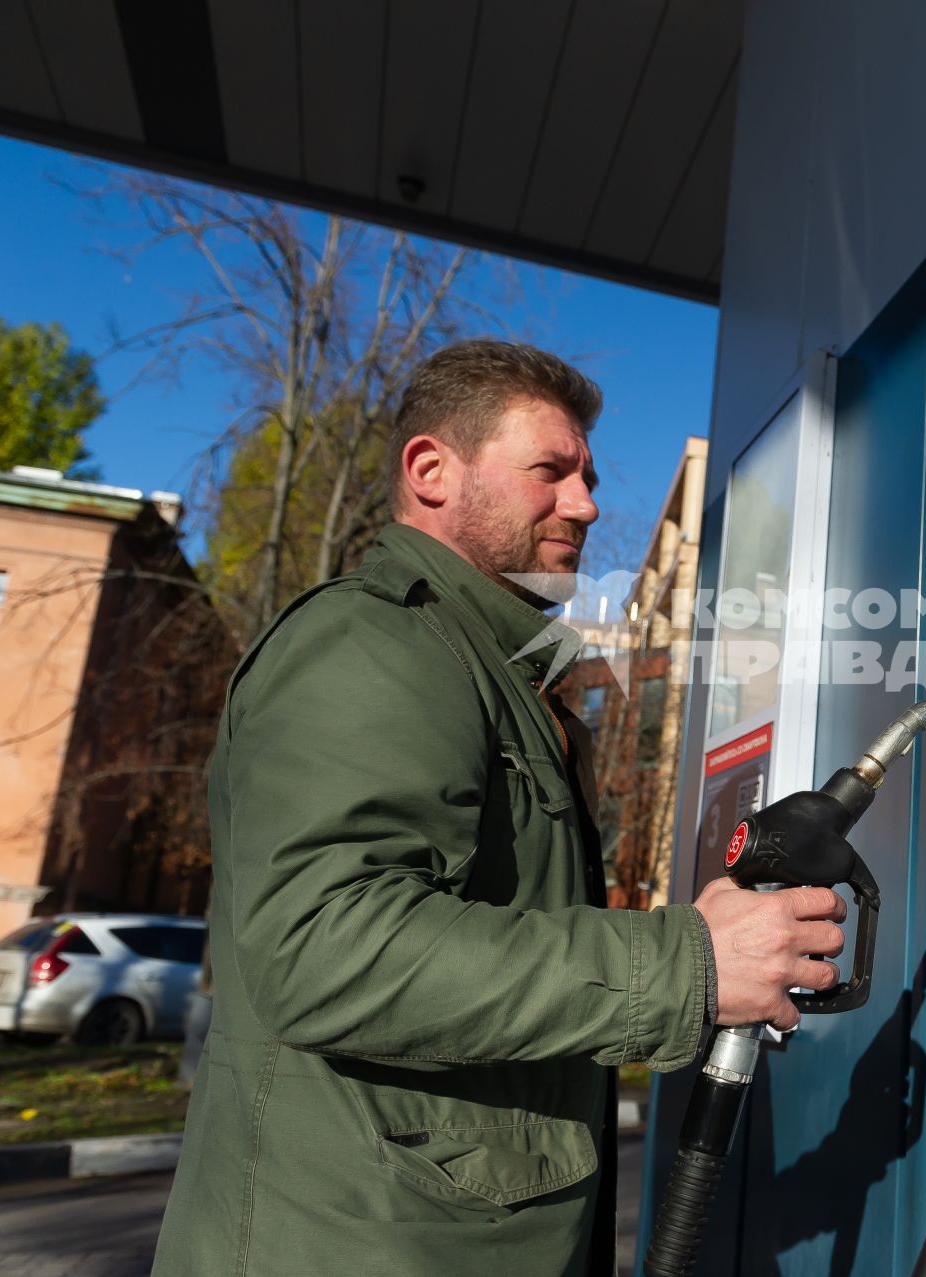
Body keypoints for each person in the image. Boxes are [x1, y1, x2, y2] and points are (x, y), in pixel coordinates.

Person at [153, 340, 844, 1275]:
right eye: (550, 471)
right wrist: (685, 962)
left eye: (588, 476)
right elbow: (325, 945)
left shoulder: (498, 672)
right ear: (431, 471)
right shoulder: (374, 642)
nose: (587, 503)